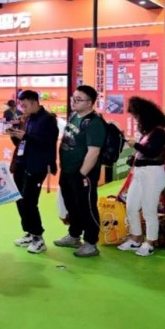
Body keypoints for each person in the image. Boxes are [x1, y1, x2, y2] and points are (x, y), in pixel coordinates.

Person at [54, 85, 106, 258]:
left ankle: (91, 243)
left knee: (86, 206)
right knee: (71, 204)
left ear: (90, 103)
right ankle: (74, 235)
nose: (74, 102)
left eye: (79, 100)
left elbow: (94, 151)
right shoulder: (74, 116)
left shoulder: (94, 123)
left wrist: (81, 174)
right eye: (73, 98)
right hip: (67, 170)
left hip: (84, 174)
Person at [116, 97, 165, 257]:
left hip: (153, 173)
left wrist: (135, 145)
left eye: (137, 116)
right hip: (140, 172)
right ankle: (136, 237)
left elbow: (152, 152)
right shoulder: (149, 133)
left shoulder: (159, 132)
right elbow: (145, 152)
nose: (136, 120)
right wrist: (134, 157)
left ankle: (150, 242)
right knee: (131, 205)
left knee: (149, 209)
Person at [8, 90, 59, 254]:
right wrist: (14, 135)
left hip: (36, 166)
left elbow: (47, 143)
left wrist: (26, 136)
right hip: (21, 164)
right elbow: (22, 143)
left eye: (25, 105)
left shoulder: (48, 119)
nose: (22, 109)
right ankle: (29, 232)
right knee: (19, 199)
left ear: (35, 102)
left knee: (29, 201)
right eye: (21, 106)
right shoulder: (27, 118)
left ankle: (38, 237)